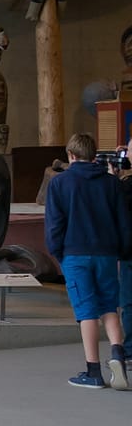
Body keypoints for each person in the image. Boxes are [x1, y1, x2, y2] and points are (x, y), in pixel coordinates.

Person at [43, 132, 132, 390]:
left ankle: (93, 371)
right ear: (94, 155)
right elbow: (123, 223)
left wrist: (56, 252)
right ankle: (118, 355)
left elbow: (55, 225)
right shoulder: (111, 183)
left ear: (71, 155)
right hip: (107, 254)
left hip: (75, 254)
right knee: (109, 308)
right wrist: (122, 251)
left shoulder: (60, 184)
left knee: (86, 311)